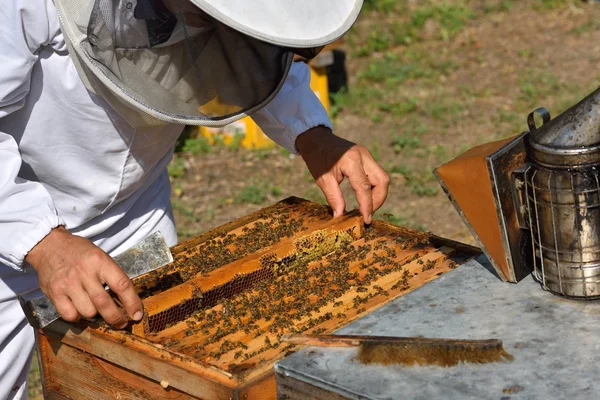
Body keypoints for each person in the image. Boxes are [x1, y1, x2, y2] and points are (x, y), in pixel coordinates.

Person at [0, 0, 389, 397]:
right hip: (10, 229)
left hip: (136, 214)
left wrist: (312, 133)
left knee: (156, 382)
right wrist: (41, 240)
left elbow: (253, 46)